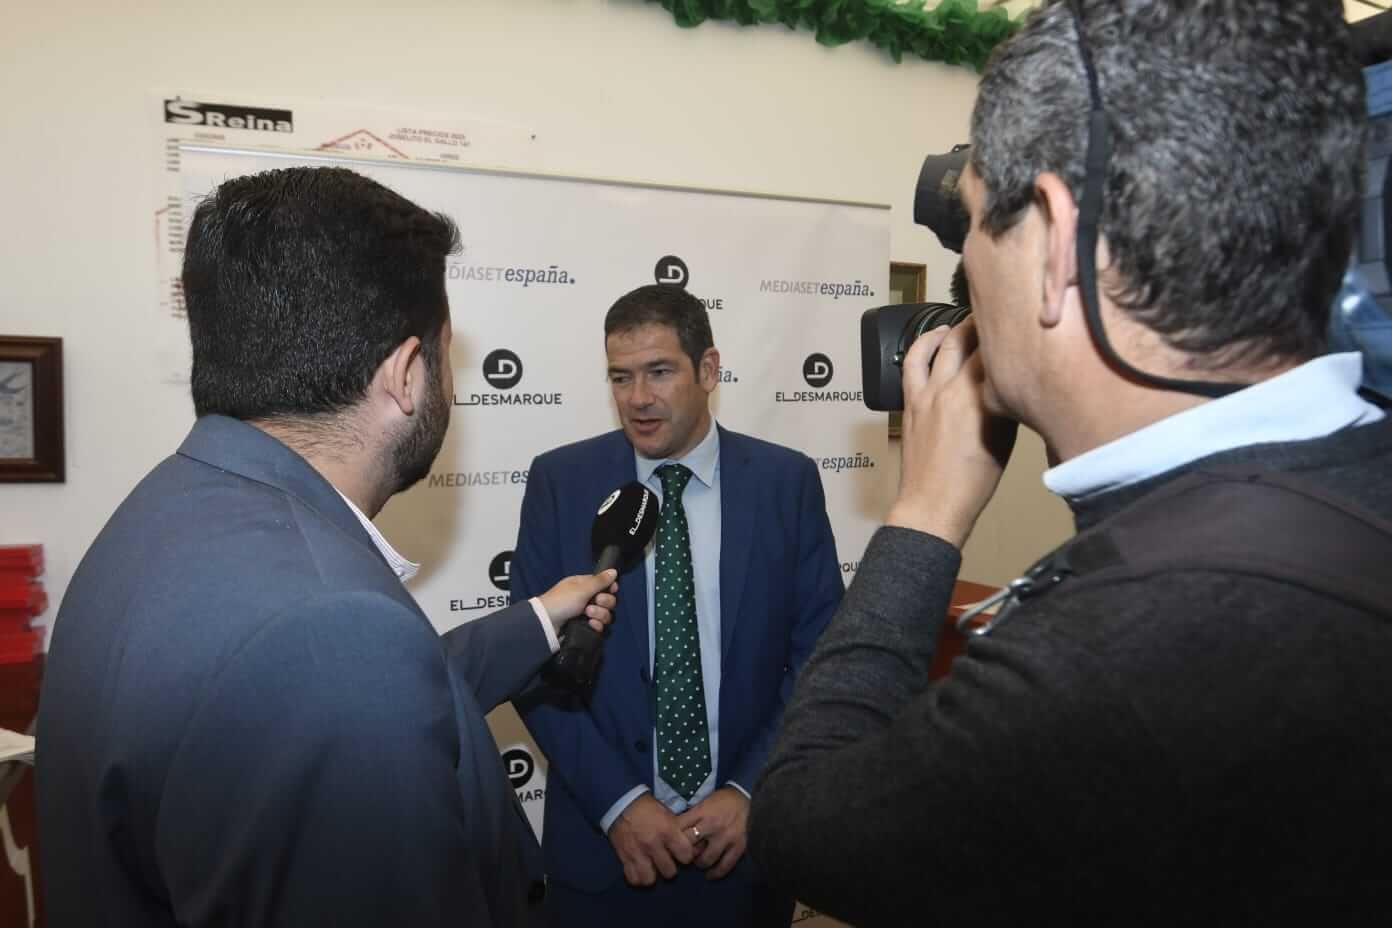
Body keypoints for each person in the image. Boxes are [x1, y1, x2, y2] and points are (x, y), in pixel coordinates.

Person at [750, 0, 1392, 924]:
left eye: (974, 220)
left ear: (1056, 242)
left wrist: (925, 514)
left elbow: (806, 827)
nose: (969, 268)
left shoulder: (1116, 655)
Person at [36, 166, 618, 927]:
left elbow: (359, 694)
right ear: (406, 374)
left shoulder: (168, 513)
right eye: (446, 356)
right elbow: (338, 675)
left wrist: (539, 619)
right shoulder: (330, 630)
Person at [510, 284, 842, 926]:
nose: (638, 397)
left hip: (743, 854)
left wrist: (750, 789)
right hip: (603, 857)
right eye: (621, 377)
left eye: (659, 371)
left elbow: (822, 659)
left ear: (708, 370)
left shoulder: (786, 483)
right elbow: (531, 664)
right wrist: (619, 804)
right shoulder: (561, 482)